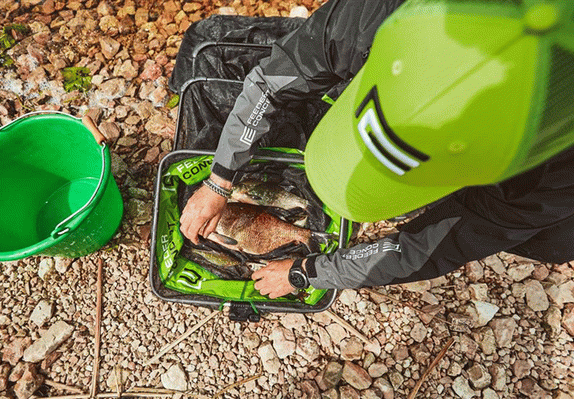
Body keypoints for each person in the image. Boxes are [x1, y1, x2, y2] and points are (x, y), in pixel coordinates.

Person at [180, 0, 574, 299]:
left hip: (539, 180)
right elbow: (270, 83)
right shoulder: (373, 15)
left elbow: (431, 247)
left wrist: (308, 271)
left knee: (553, 240)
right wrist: (219, 181)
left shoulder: (551, 177)